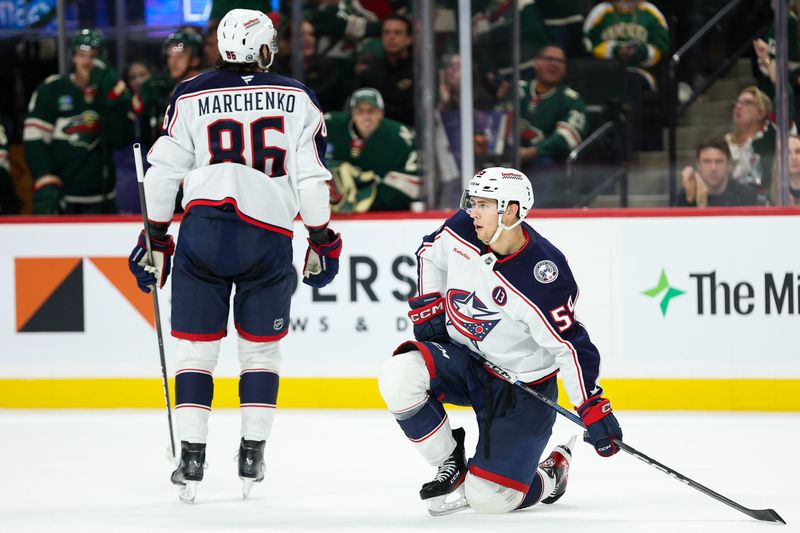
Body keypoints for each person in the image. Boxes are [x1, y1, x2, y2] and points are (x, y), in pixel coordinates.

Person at [127, 8, 343, 503]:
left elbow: (160, 176)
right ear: (264, 48)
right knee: (261, 351)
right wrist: (322, 238)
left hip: (202, 230)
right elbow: (311, 179)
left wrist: (154, 238)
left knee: (195, 351)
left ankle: (192, 457)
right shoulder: (296, 97)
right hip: (266, 235)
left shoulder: (189, 94)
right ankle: (252, 450)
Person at [378, 167, 623, 515]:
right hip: (467, 362)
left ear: (511, 211)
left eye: (483, 204)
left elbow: (569, 347)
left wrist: (592, 407)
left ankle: (551, 475)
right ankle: (451, 463)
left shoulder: (543, 274)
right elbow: (429, 251)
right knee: (399, 374)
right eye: (472, 202)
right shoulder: (464, 228)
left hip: (521, 390)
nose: (472, 212)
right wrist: (428, 307)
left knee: (490, 501)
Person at [23, 28, 134, 214]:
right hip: (62, 198)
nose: (86, 61)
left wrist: (112, 96)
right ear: (72, 57)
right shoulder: (53, 88)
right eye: (81, 55)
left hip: (103, 199)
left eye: (93, 56)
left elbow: (122, 139)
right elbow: (34, 138)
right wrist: (45, 177)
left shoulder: (114, 90)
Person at [325, 87, 419, 211]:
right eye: (360, 111)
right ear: (352, 113)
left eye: (371, 111)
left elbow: (412, 181)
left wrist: (369, 200)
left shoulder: (400, 137)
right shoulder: (329, 125)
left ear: (381, 113)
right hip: (335, 213)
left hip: (383, 215)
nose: (366, 117)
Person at [518, 44, 587, 207]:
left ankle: (534, 219)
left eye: (560, 61)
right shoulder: (517, 90)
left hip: (547, 163)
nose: (554, 64)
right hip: (507, 161)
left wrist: (533, 151)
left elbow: (568, 136)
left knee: (545, 167)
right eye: (549, 59)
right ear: (535, 62)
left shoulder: (570, 99)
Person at [133, 31, 204, 146]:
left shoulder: (206, 88)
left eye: (180, 56)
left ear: (195, 59)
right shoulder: (164, 88)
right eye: (170, 56)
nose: (172, 62)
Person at [358, 14, 415, 126]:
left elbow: (413, 112)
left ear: (409, 39)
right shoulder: (370, 72)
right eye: (386, 32)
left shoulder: (419, 72)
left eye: (397, 33)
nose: (391, 37)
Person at [725, 86, 777, 202]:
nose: (738, 107)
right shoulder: (724, 143)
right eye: (737, 103)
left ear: (761, 112)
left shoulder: (772, 142)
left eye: (747, 103)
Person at [678, 137, 759, 207]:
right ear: (698, 164)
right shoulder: (688, 194)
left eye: (719, 161)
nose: (713, 168)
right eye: (707, 162)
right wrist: (690, 201)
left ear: (728, 164)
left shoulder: (744, 194)